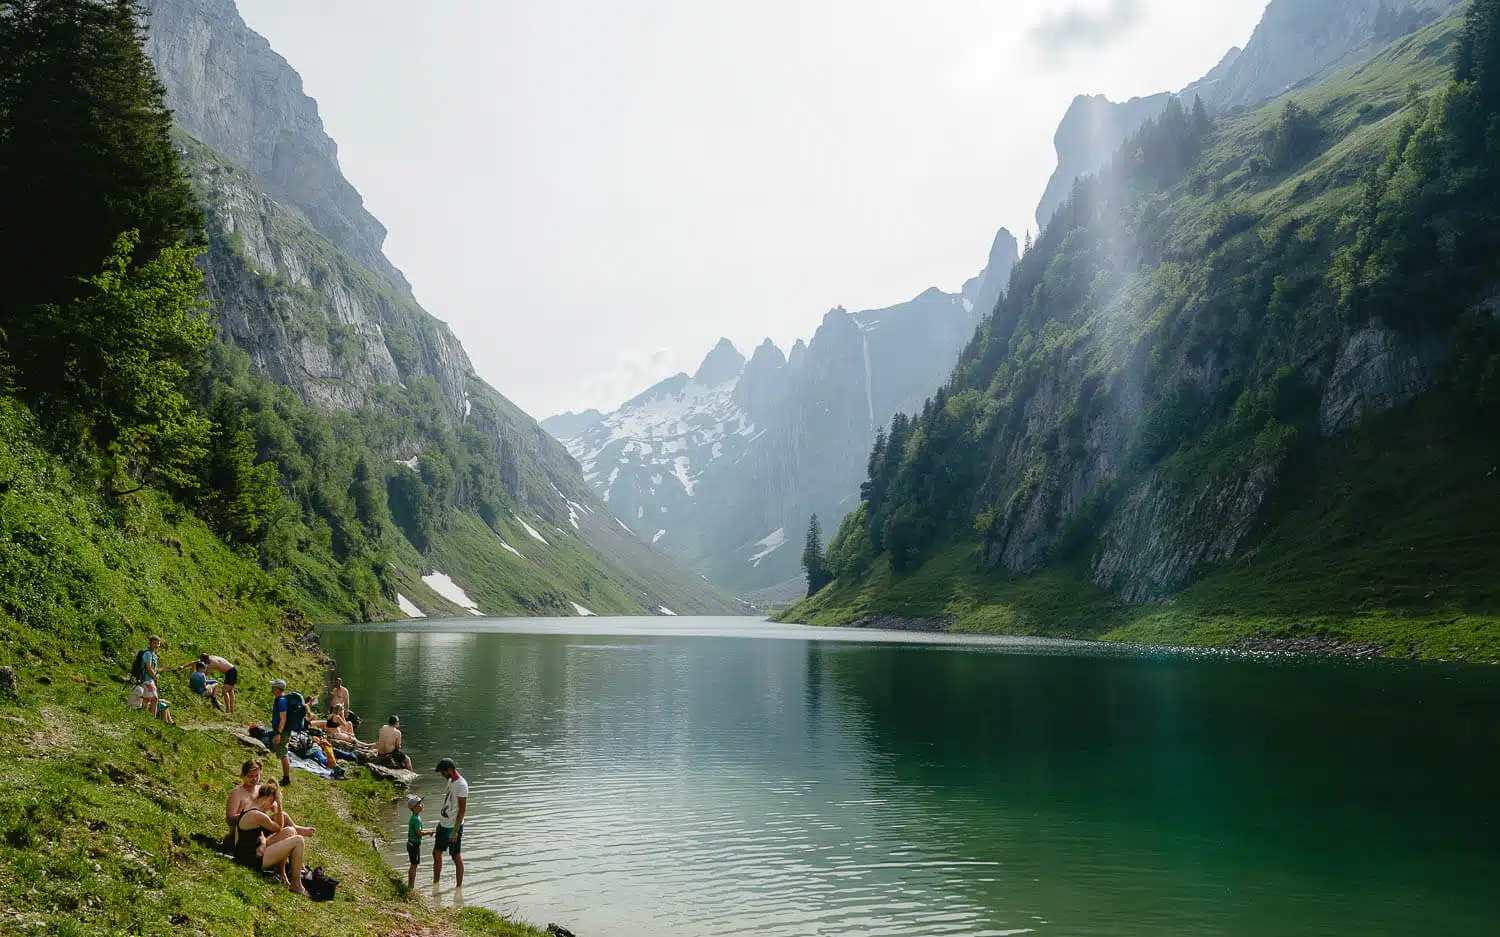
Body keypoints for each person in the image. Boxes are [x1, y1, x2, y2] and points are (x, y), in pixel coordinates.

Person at [231, 781, 309, 896]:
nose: (272, 805)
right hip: (250, 859)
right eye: (272, 802)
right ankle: (296, 885)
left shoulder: (251, 806)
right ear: (265, 798)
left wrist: (263, 843)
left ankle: (280, 871)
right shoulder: (258, 815)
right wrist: (280, 804)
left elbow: (258, 831)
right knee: (298, 840)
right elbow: (278, 827)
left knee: (290, 831)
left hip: (251, 850)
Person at [432, 758, 467, 888]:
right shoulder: (450, 780)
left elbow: (462, 810)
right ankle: (435, 884)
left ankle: (458, 888)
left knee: (455, 856)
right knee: (436, 853)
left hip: (453, 826)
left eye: (443, 772)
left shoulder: (462, 785)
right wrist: (441, 823)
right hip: (444, 823)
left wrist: (455, 831)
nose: (441, 775)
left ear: (450, 770)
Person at [131, 636, 176, 725]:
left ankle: (146, 717)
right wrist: (155, 676)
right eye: (154, 643)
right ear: (150, 643)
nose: (156, 645)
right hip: (147, 680)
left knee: (147, 700)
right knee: (154, 699)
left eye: (158, 643)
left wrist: (163, 668)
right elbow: (148, 668)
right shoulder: (148, 654)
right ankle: (152, 720)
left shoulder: (154, 655)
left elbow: (153, 669)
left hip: (150, 680)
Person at [225, 759, 262, 842]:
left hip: (260, 828)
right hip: (240, 833)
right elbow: (229, 819)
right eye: (250, 776)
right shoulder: (237, 792)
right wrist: (249, 814)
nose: (254, 779)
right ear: (243, 776)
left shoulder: (260, 790)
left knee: (284, 816)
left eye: (257, 775)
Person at [405, 794, 433, 888]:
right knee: (414, 865)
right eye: (420, 803)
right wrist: (429, 832)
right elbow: (419, 833)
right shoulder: (416, 819)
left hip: (412, 843)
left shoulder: (415, 817)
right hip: (414, 844)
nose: (422, 804)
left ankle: (411, 885)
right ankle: (410, 886)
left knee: (414, 864)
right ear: (415, 807)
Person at [269, 679, 292, 786]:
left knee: (283, 754)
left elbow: (283, 718)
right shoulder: (279, 699)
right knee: (282, 753)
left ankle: (286, 779)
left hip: (282, 732)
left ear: (278, 689)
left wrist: (278, 733)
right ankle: (286, 777)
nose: (272, 688)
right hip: (280, 730)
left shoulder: (282, 701)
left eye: (273, 687)